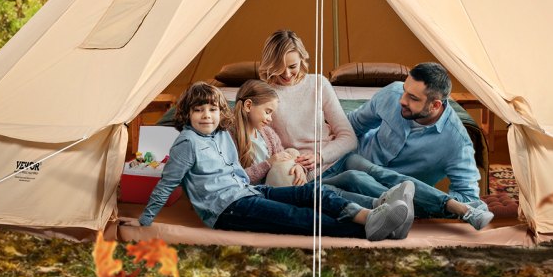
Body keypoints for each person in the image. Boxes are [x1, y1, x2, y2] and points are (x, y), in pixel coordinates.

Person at [138, 82, 413, 240]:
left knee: (313, 192)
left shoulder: (220, 135)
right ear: (187, 114)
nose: (207, 116)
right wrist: (145, 220)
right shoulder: (187, 143)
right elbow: (167, 183)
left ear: (221, 111)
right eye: (199, 110)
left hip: (248, 192)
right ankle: (375, 230)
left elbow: (237, 172)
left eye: (212, 109)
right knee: (298, 217)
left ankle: (370, 216)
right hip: (226, 209)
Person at [327, 62, 494, 230]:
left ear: (435, 105)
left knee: (354, 181)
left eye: (413, 98)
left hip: (396, 191)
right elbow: (353, 124)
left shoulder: (457, 141)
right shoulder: (392, 93)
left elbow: (467, 196)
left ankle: (398, 206)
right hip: (353, 164)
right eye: (404, 90)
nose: (402, 100)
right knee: (352, 177)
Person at [258, 29, 355, 173]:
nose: (287, 74)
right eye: (279, 68)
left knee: (372, 171)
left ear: (301, 60)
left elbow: (349, 138)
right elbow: (266, 146)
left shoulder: (319, 83)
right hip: (302, 170)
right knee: (353, 178)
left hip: (334, 158)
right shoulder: (264, 96)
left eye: (292, 66)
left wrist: (320, 156)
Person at [230, 79, 306, 186]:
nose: (270, 119)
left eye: (271, 114)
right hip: (255, 190)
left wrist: (298, 167)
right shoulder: (229, 137)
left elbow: (282, 157)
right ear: (248, 106)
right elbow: (234, 178)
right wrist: (268, 163)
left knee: (292, 152)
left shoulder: (268, 133)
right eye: (267, 112)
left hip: (275, 183)